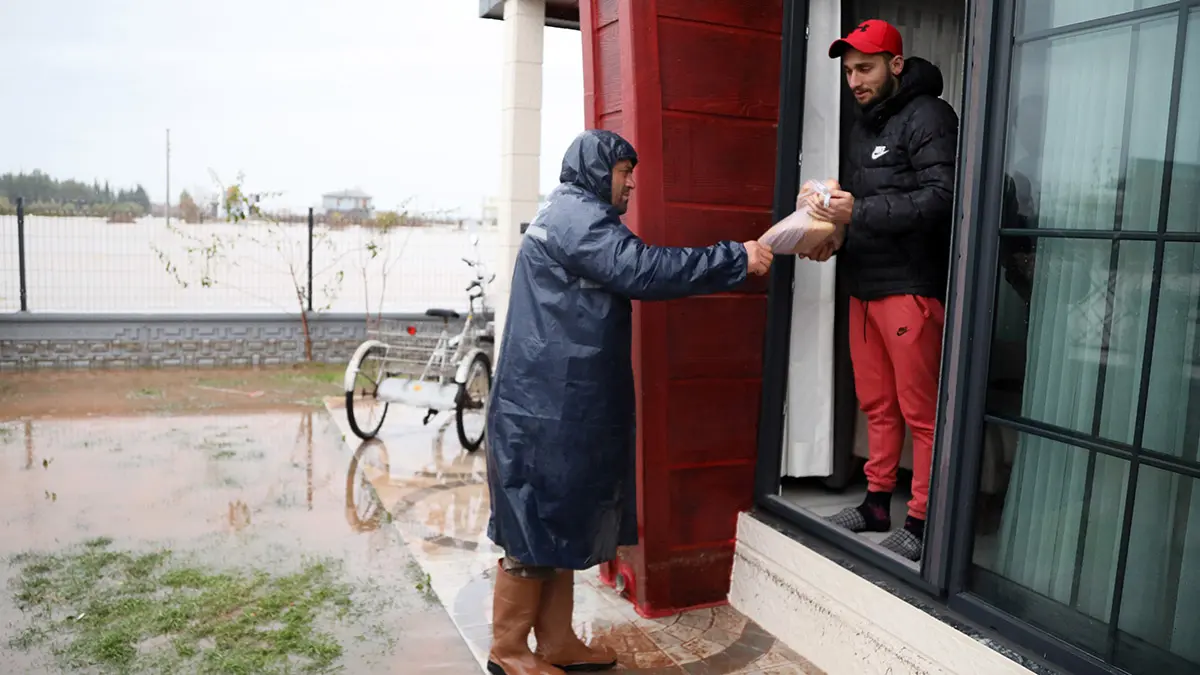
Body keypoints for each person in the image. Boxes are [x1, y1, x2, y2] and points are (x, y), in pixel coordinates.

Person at [483, 129, 773, 675]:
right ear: (597, 172)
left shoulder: (569, 215)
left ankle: (557, 641)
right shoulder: (577, 219)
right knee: (534, 523)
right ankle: (509, 652)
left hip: (553, 401)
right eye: (623, 172)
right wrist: (736, 257)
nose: (631, 183)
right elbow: (644, 269)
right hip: (544, 407)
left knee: (556, 521)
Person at [804, 19, 959, 562]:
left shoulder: (930, 116)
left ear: (896, 64)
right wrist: (831, 235)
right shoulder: (863, 124)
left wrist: (860, 211)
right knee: (877, 405)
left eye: (865, 67)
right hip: (864, 285)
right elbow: (858, 206)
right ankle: (876, 502)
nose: (854, 79)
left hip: (909, 287)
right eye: (848, 70)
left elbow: (945, 199)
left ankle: (922, 517)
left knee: (922, 412)